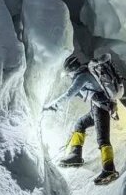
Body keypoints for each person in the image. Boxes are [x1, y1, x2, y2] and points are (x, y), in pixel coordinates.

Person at [43, 54, 120, 185]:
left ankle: (109, 170)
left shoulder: (82, 77)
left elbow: (69, 94)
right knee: (80, 124)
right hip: (98, 106)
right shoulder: (85, 73)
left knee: (103, 139)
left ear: (71, 69)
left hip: (101, 108)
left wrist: (52, 106)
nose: (69, 75)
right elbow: (85, 92)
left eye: (68, 73)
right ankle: (75, 155)